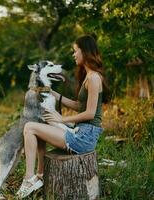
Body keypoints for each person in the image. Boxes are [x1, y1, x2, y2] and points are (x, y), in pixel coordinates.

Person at [16, 34, 109, 198]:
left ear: (85, 52)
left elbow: (90, 113)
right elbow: (79, 106)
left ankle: (29, 178)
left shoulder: (94, 78)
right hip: (82, 132)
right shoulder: (89, 76)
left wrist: (61, 119)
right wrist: (54, 93)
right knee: (41, 125)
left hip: (84, 138)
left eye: (75, 51)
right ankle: (39, 174)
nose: (73, 55)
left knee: (29, 128)